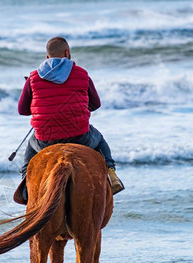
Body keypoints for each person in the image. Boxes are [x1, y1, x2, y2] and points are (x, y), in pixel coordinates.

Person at [17, 36, 124, 201]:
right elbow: (95, 104)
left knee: (30, 148)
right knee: (100, 139)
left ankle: (26, 185)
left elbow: (22, 110)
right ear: (67, 53)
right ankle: (112, 173)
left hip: (46, 140)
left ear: (48, 57)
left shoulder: (33, 78)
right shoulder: (81, 73)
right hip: (80, 137)